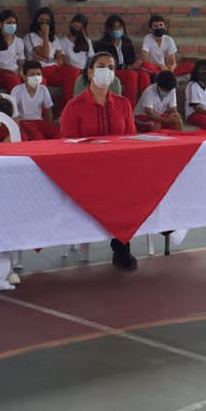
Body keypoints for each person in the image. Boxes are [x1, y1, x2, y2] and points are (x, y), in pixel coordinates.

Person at [60, 51, 140, 269]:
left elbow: (131, 141)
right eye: (102, 66)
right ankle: (121, 245)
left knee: (133, 186)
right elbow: (66, 145)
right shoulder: (74, 107)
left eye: (112, 67)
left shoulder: (123, 104)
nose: (108, 71)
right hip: (85, 171)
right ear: (90, 72)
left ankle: (122, 244)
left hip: (118, 168)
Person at [11, 60, 60, 139]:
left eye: (38, 74)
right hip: (23, 122)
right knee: (38, 136)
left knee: (59, 132)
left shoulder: (43, 89)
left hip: (38, 121)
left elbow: (48, 111)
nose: (36, 77)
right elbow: (13, 113)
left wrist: (48, 127)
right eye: (32, 75)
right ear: (24, 77)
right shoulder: (17, 90)